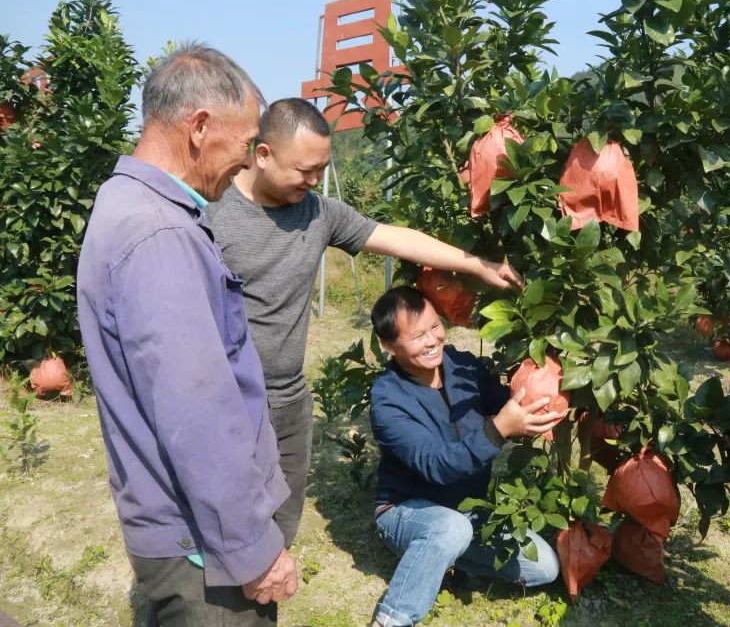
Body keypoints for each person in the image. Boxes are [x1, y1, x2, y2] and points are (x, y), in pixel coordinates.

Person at [207, 98, 523, 548]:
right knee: (225, 519)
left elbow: (395, 239)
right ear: (263, 154)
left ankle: (263, 598)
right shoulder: (213, 214)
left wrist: (478, 265)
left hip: (289, 398)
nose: (314, 180)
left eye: (322, 168)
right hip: (228, 397)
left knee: (280, 523)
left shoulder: (318, 212)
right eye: (305, 170)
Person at [77, 43, 297, 625]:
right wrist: (253, 551)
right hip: (204, 548)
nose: (249, 162)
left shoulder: (125, 202)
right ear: (199, 127)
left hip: (179, 527)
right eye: (247, 143)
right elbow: (197, 413)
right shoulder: (158, 234)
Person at [367, 286, 562, 627]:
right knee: (450, 528)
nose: (432, 340)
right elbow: (437, 465)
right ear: (388, 346)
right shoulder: (388, 400)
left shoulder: (462, 366)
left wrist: (545, 389)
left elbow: (504, 402)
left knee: (544, 566)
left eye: (435, 326)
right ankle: (394, 618)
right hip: (407, 511)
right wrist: (498, 429)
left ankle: (448, 561)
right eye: (417, 336)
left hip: (469, 512)